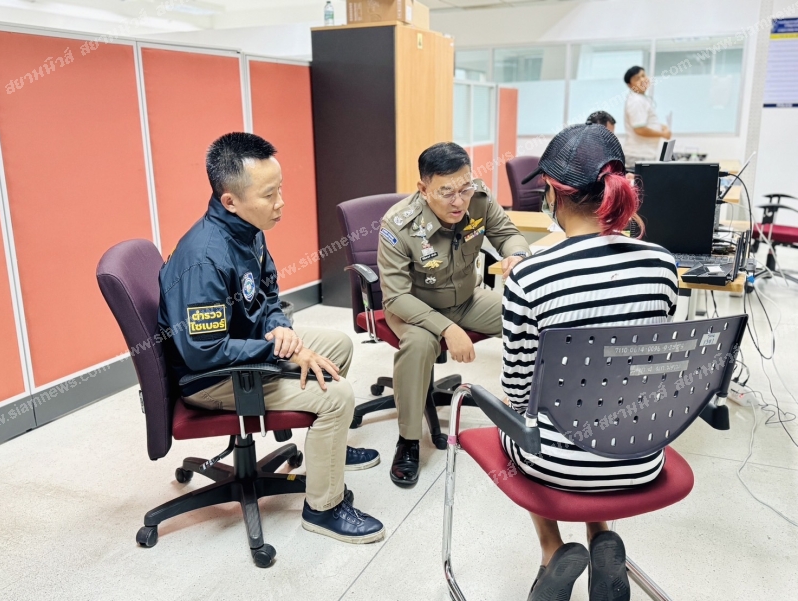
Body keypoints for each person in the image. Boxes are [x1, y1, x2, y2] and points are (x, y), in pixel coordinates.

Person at [158, 132, 384, 544]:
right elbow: (204, 352)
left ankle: (328, 447)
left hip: (245, 344)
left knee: (339, 346)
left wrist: (279, 325)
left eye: (279, 189)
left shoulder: (248, 229)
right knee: (337, 397)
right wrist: (279, 349)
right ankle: (324, 509)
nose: (281, 203)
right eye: (269, 195)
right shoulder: (204, 259)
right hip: (211, 378)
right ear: (230, 200)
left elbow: (268, 291)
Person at [501, 124, 678, 601]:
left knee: (517, 416)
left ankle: (552, 549)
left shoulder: (530, 277)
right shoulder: (663, 264)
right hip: (641, 455)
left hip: (559, 465)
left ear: (552, 194)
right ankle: (601, 535)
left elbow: (518, 392)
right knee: (604, 402)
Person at [378, 142, 530, 488]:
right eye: (446, 192)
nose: (459, 201)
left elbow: (509, 235)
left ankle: (529, 411)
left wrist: (517, 255)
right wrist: (447, 328)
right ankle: (408, 441)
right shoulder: (398, 225)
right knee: (419, 345)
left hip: (466, 298)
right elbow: (397, 296)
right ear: (423, 189)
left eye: (464, 188)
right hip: (414, 309)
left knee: (527, 316)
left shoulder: (479, 199)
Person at [623, 66, 671, 169]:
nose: (642, 79)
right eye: (637, 78)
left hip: (643, 154)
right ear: (629, 85)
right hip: (638, 155)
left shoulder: (641, 98)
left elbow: (645, 123)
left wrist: (661, 127)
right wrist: (663, 134)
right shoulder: (636, 101)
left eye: (643, 75)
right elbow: (639, 129)